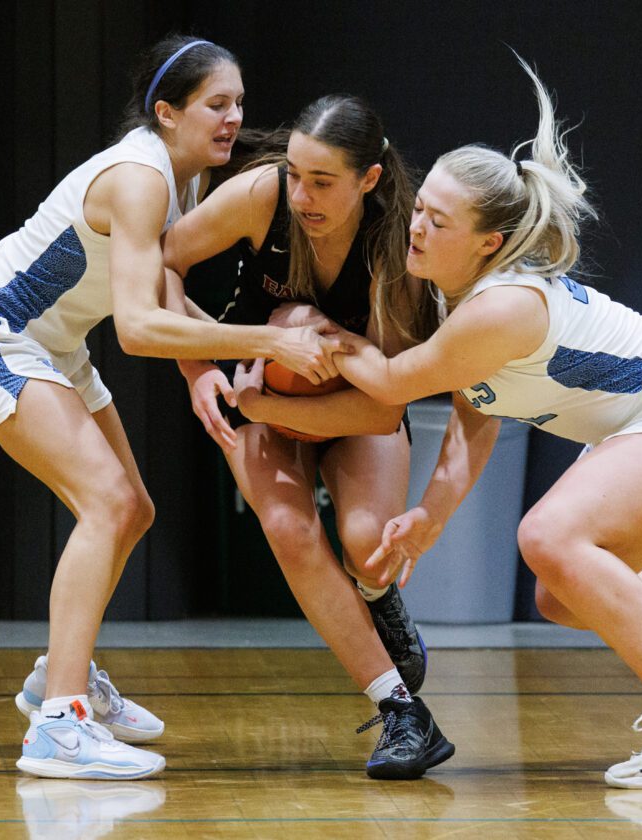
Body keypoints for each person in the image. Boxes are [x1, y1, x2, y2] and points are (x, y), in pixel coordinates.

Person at [274, 56, 642, 790]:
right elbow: (475, 422)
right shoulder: (459, 298)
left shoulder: (499, 307)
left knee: (548, 535)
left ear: (488, 242)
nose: (416, 227)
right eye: (421, 209)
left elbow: (389, 382)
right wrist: (429, 518)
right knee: (560, 593)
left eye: (437, 221)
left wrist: (294, 344)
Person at [0, 33, 345, 781]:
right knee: (109, 506)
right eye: (216, 103)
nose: (232, 117)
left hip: (53, 346)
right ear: (167, 111)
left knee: (134, 509)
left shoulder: (180, 178)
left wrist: (197, 374)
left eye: (239, 103)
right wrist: (269, 344)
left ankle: (61, 672)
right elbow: (138, 328)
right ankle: (59, 723)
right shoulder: (141, 177)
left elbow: (163, 287)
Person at [164, 95, 454, 779]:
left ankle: (381, 601)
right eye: (295, 173)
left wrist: (266, 410)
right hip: (262, 394)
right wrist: (198, 367)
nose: (301, 194)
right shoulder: (263, 196)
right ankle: (403, 713)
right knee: (290, 531)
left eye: (322, 182)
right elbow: (160, 263)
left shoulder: (396, 251)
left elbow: (382, 410)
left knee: (366, 545)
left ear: (370, 180)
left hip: (353, 408)